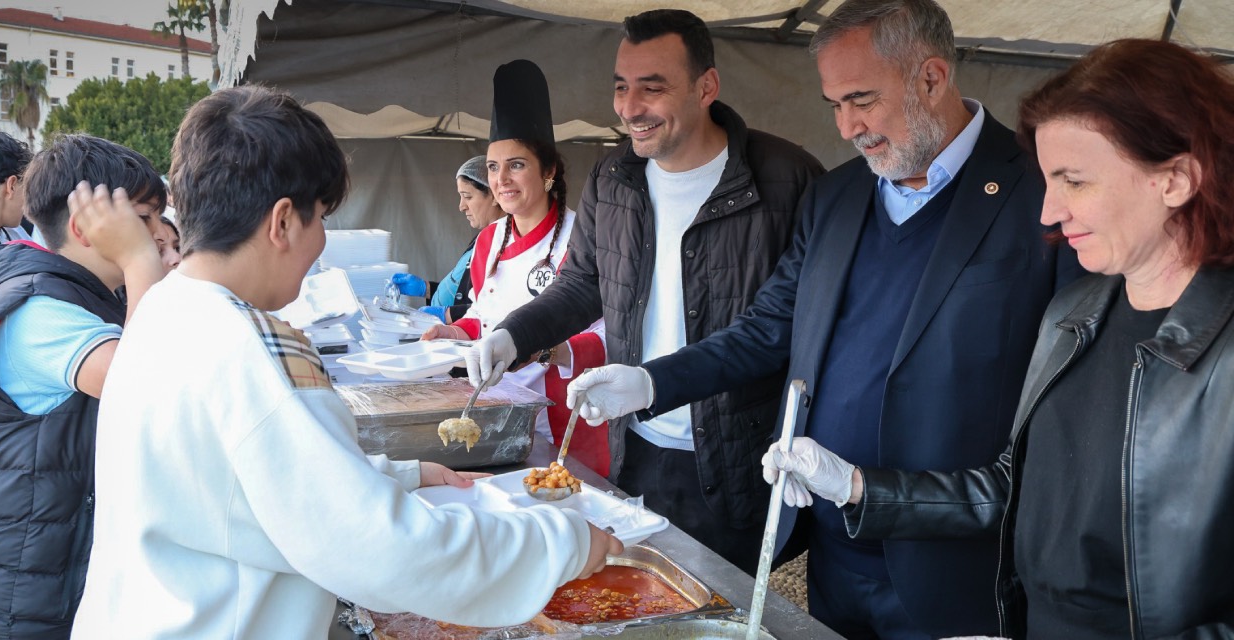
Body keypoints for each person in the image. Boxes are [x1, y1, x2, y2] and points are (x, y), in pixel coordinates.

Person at [558, 0, 1086, 636]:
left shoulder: (1040, 191)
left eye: (861, 99)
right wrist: (650, 383)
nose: (847, 126)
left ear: (931, 77)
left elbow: (1072, 403)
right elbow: (765, 329)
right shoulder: (838, 196)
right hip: (833, 550)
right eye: (835, 104)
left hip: (959, 564)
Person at [70, 85, 622, 639]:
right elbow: (381, 548)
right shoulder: (255, 349)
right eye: (321, 221)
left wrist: (400, 476)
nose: (320, 246)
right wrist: (563, 542)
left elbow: (247, 481)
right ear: (283, 221)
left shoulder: (164, 309)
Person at [766, 38, 1234, 639]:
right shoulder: (1075, 313)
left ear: (1175, 180)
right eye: (1046, 180)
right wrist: (858, 486)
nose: (1048, 211)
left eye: (1074, 181)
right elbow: (1013, 484)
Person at [466, 9, 823, 574]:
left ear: (707, 86)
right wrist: (514, 334)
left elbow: (779, 327)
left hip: (735, 452)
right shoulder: (613, 179)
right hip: (636, 444)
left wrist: (654, 381)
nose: (630, 108)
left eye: (651, 89)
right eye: (621, 88)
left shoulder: (787, 177)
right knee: (631, 595)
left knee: (711, 607)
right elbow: (584, 283)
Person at [0, 134, 170, 638]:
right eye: (143, 220)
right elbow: (151, 390)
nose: (159, 235)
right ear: (85, 228)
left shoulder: (83, 295)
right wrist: (142, 263)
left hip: (42, 580)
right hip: (14, 606)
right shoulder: (39, 314)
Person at [422, 60, 611, 474]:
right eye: (493, 167)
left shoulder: (582, 240)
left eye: (517, 165)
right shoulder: (489, 238)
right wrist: (452, 332)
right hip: (492, 413)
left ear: (549, 171)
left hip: (559, 424)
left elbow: (611, 337)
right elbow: (481, 316)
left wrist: (544, 348)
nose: (501, 179)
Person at [389, 155, 506, 323]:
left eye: (468, 196)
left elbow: (499, 308)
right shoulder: (484, 237)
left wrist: (449, 314)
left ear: (494, 195)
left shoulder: (505, 245)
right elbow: (465, 292)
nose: (461, 206)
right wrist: (427, 289)